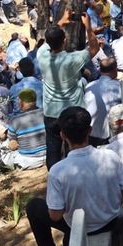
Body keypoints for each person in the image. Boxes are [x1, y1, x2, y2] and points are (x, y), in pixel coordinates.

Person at [26, 106, 123, 246]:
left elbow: (55, 215)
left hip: (79, 226)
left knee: (33, 207)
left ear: (62, 135)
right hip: (110, 221)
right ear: (89, 130)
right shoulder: (110, 156)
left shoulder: (58, 171)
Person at [37, 9, 100, 170]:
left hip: (51, 113)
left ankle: (54, 176)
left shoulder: (41, 55)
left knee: (53, 150)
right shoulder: (73, 59)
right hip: (72, 113)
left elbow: (49, 38)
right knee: (78, 147)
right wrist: (88, 27)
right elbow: (94, 47)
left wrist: (62, 21)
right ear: (64, 40)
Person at [1, 89, 47, 169]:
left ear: (21, 103)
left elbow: (13, 146)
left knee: (2, 148)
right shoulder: (45, 113)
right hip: (49, 156)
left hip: (28, 161)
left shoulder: (15, 120)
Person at [83, 57, 123, 146]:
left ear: (100, 70)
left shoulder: (89, 86)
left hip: (90, 131)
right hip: (109, 134)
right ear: (115, 70)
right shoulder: (118, 86)